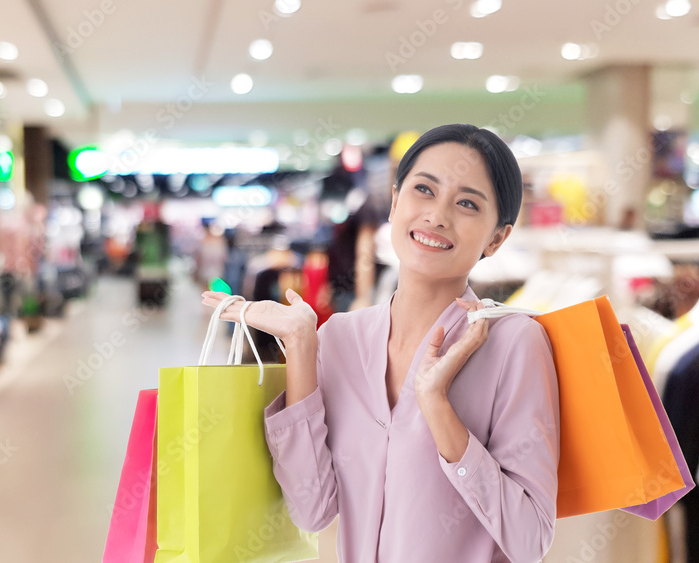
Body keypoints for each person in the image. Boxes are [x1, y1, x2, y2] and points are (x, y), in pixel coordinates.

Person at [202, 124, 560, 562]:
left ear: (497, 238)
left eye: (467, 203)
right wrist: (299, 346)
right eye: (424, 190)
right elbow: (313, 510)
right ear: (394, 202)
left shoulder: (514, 344)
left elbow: (530, 540)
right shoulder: (340, 338)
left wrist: (438, 410)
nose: (437, 215)